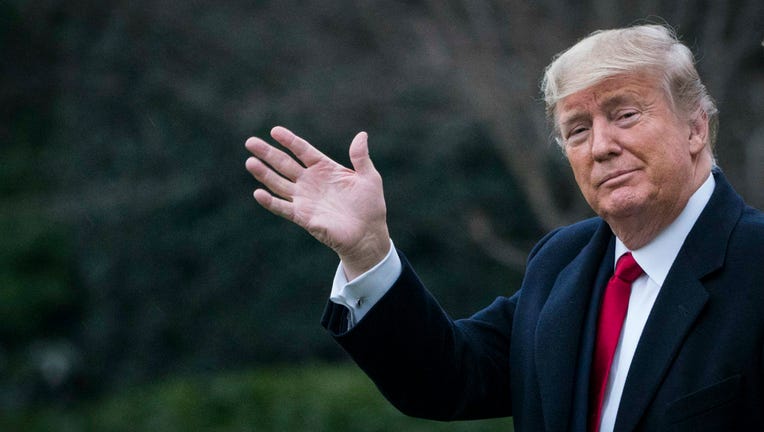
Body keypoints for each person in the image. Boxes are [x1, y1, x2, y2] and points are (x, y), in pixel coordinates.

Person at [244, 23, 764, 431]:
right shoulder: (562, 263)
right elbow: (448, 380)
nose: (601, 145)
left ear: (696, 127)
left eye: (625, 114)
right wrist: (367, 251)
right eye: (577, 130)